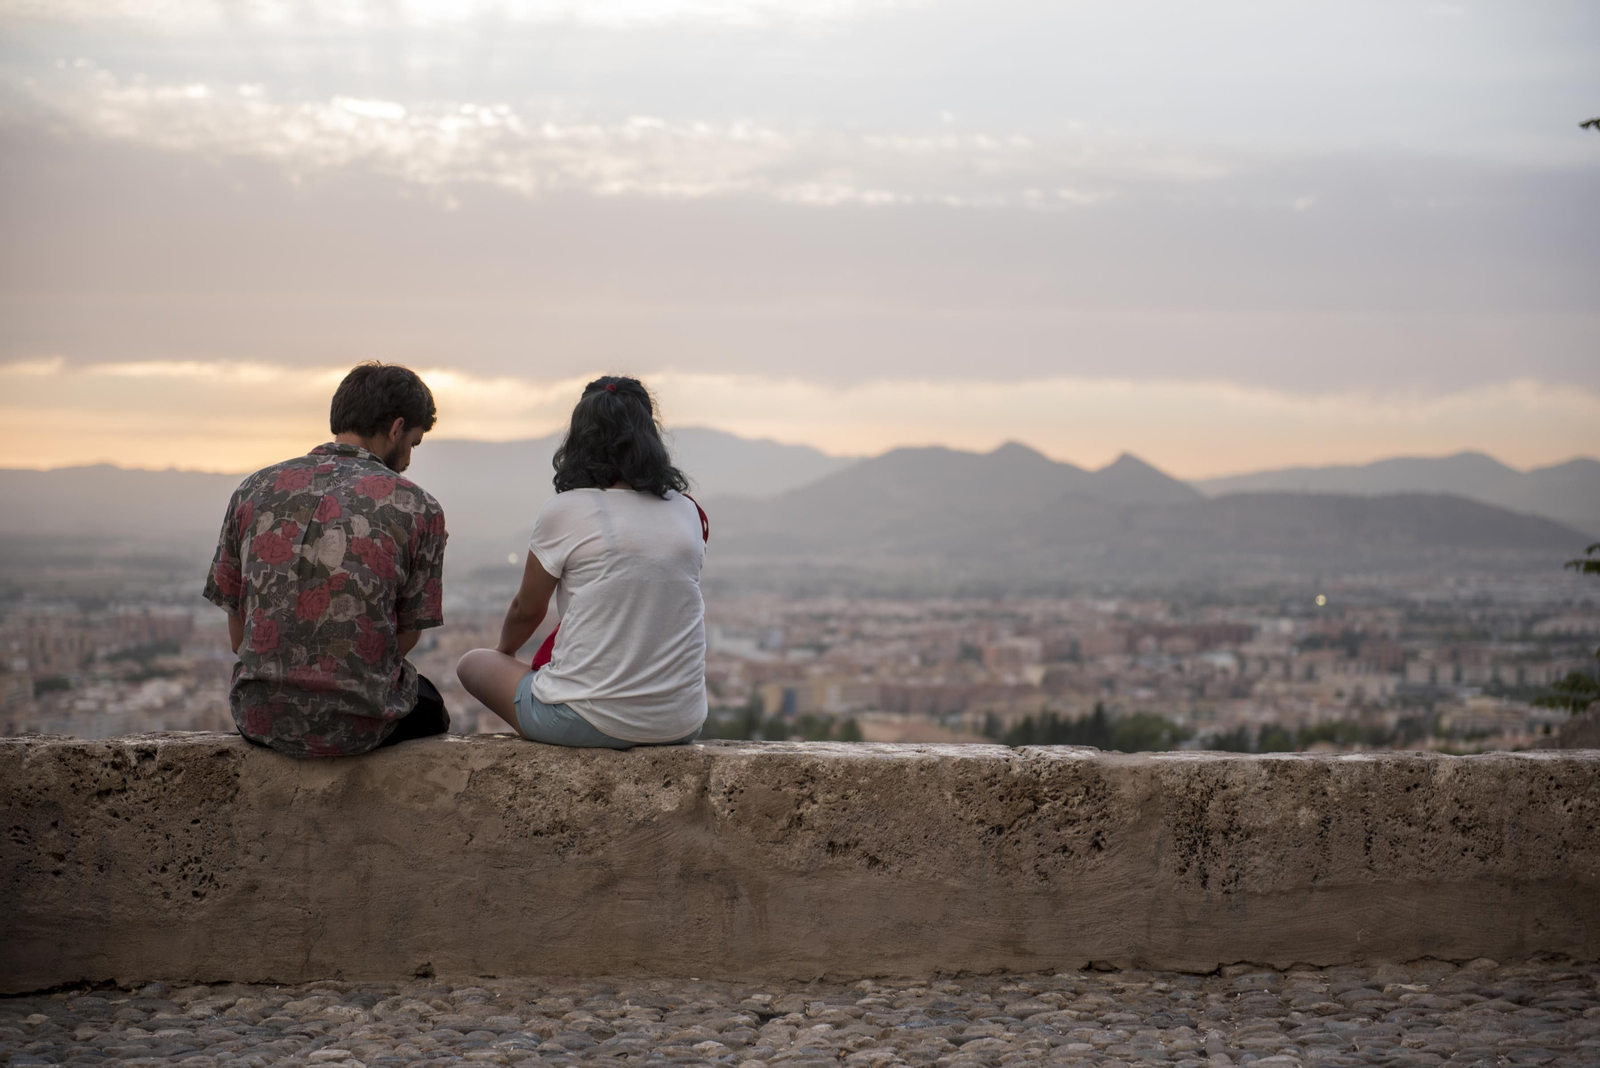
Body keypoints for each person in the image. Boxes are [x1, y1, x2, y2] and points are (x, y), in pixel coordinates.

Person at [202, 362, 451, 757]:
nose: (408, 458)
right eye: (413, 443)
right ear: (396, 429)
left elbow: (238, 637)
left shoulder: (252, 490)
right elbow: (404, 637)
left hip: (258, 717)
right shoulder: (419, 506)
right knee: (432, 707)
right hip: (361, 726)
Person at [456, 375, 707, 748]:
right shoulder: (687, 511)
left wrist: (505, 653)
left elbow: (527, 609)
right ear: (649, 438)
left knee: (473, 663)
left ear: (580, 440)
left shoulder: (566, 509)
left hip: (584, 720)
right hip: (682, 723)